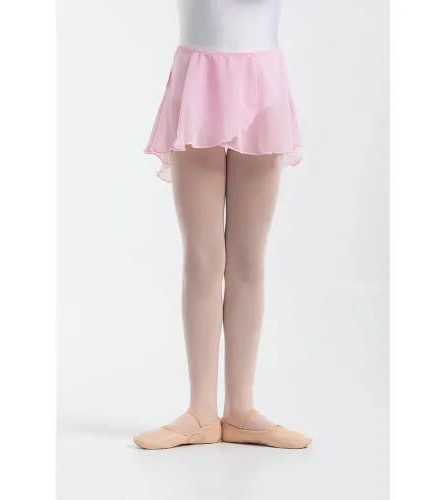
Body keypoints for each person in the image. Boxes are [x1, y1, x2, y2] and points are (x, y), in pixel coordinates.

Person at [133, 0, 311, 450]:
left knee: (248, 257)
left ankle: (241, 409)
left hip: (262, 81)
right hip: (198, 79)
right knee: (203, 255)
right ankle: (200, 411)